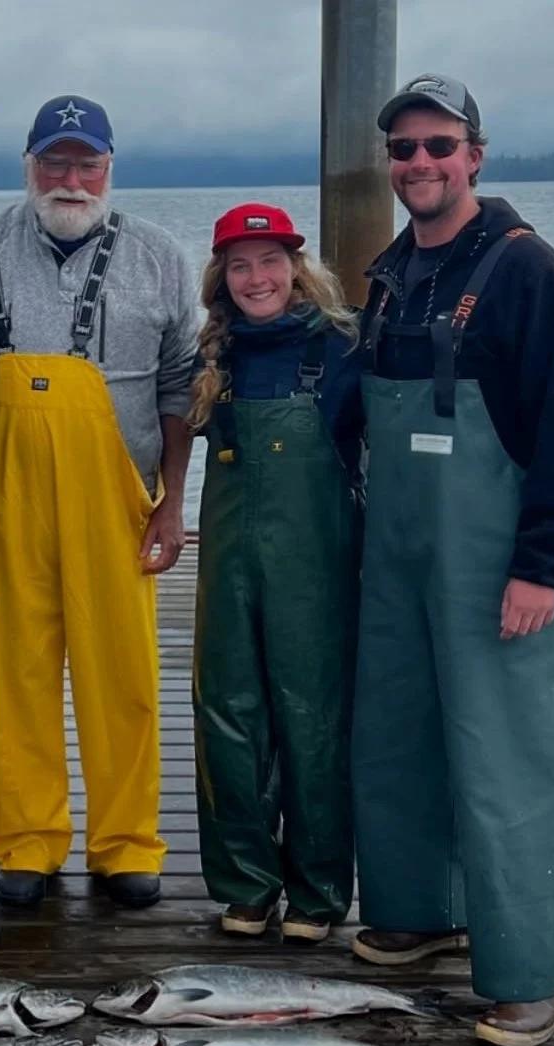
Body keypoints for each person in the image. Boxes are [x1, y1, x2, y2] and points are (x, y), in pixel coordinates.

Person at [353, 74, 554, 1046]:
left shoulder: (530, 274)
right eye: (405, 149)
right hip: (403, 556)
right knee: (399, 739)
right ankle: (419, 909)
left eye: (439, 146)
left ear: (476, 155)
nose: (421, 164)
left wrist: (543, 564)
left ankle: (532, 973)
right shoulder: (389, 275)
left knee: (510, 762)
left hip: (500, 561)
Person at [0, 96, 198, 912]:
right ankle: (26, 840)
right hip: (5, 495)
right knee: (13, 673)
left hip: (118, 497)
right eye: (53, 162)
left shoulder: (160, 256)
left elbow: (179, 385)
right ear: (27, 166)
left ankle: (126, 842)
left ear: (109, 168)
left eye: (85, 162)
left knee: (122, 676)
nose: (70, 178)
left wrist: (171, 501)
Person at [187, 204, 364, 942]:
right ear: (221, 279)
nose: (256, 277)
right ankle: (246, 884)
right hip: (227, 564)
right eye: (239, 264)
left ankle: (319, 892)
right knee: (226, 715)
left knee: (313, 718)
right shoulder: (211, 359)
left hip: (315, 565)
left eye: (270, 260)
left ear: (298, 268)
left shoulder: (344, 347)